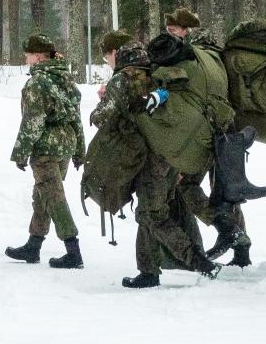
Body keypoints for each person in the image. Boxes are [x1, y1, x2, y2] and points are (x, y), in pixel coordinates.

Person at [89, 33, 219, 288]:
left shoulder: (124, 78)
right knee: (149, 209)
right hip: (170, 151)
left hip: (146, 156)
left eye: (107, 57)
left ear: (117, 52)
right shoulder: (158, 71)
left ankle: (198, 261)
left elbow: (101, 118)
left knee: (151, 213)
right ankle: (148, 270)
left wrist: (102, 104)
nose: (107, 62)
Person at [161, 7, 252, 266]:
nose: (170, 35)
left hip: (202, 133)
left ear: (187, 31)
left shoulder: (188, 57)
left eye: (173, 30)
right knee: (226, 192)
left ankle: (227, 229)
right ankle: (241, 248)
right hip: (226, 129)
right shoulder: (215, 55)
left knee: (186, 184)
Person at [5, 33, 86, 269]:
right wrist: (79, 150)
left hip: (46, 148)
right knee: (43, 195)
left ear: (39, 56)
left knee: (53, 197)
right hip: (65, 145)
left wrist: (20, 153)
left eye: (28, 55)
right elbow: (76, 119)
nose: (26, 59)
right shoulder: (65, 78)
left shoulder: (38, 82)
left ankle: (73, 251)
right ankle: (34, 245)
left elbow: (32, 121)